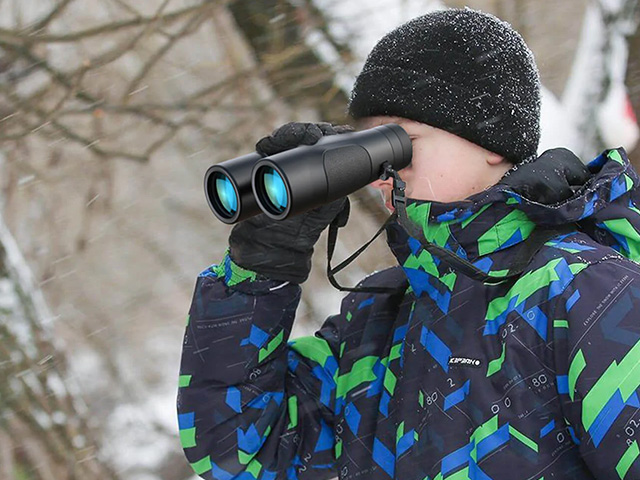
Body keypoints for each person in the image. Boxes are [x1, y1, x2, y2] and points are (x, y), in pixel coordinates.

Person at [177, 7, 640, 480]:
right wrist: (261, 267)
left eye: (399, 142)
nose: (382, 173)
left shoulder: (586, 294)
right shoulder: (375, 325)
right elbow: (236, 454)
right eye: (367, 148)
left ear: (491, 141)